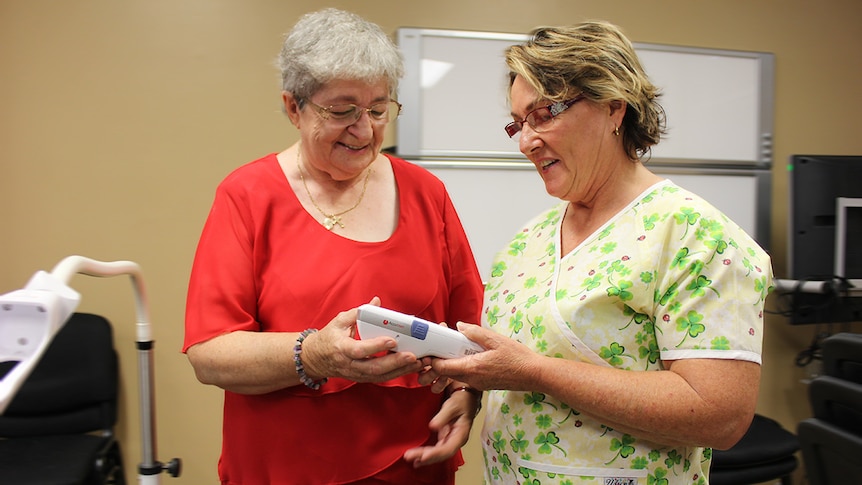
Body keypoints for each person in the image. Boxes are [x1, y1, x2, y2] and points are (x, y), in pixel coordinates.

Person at [426, 20, 773, 485]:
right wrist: (470, 389)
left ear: (614, 107)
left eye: (545, 113)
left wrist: (537, 373)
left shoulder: (696, 236)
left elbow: (720, 417)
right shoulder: (527, 242)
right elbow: (518, 357)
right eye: (518, 123)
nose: (526, 142)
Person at [182, 8, 484, 485]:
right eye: (342, 111)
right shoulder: (247, 196)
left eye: (379, 109)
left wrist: (468, 393)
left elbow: (470, 329)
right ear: (293, 107)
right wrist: (314, 353)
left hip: (412, 463)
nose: (364, 131)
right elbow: (211, 354)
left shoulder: (427, 192)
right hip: (287, 465)